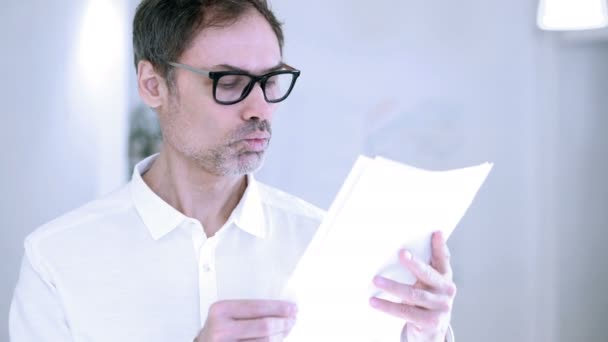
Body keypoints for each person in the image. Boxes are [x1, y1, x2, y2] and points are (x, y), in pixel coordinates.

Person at [9, 1, 456, 341]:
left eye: (270, 80)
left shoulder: (326, 244)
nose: (259, 108)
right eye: (229, 82)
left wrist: (425, 332)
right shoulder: (58, 261)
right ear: (153, 85)